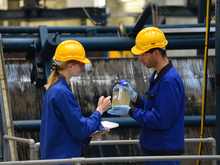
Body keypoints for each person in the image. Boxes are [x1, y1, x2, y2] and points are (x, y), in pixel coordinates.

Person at [108, 27, 185, 165]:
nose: (139, 59)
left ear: (156, 53)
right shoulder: (159, 76)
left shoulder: (168, 81)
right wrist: (134, 98)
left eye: (143, 54)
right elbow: (154, 108)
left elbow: (160, 120)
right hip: (156, 151)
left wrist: (129, 111)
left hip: (163, 155)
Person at [40, 40, 112, 163]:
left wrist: (90, 133)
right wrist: (100, 110)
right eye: (80, 64)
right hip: (64, 158)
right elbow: (80, 129)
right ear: (70, 66)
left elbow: (66, 128)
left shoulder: (54, 89)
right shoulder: (62, 92)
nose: (83, 67)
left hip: (56, 156)